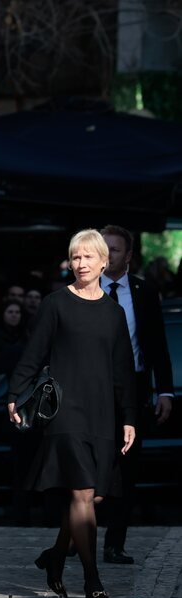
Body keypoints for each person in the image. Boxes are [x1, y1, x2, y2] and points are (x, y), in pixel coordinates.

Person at [7, 229, 136, 598]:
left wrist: (129, 416)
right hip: (65, 412)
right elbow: (33, 353)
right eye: (74, 258)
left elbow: (123, 369)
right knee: (81, 492)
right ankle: (92, 578)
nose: (80, 264)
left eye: (87, 257)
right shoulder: (55, 303)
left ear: (103, 262)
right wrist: (16, 393)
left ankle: (55, 559)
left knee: (91, 498)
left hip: (103, 415)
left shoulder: (113, 312)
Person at [99, 225, 173, 565]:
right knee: (84, 466)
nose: (108, 254)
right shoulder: (82, 288)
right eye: (104, 247)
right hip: (90, 390)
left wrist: (165, 391)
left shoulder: (144, 291)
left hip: (133, 390)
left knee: (125, 469)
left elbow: (158, 346)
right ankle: (74, 533)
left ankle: (115, 543)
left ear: (128, 255)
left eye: (115, 249)